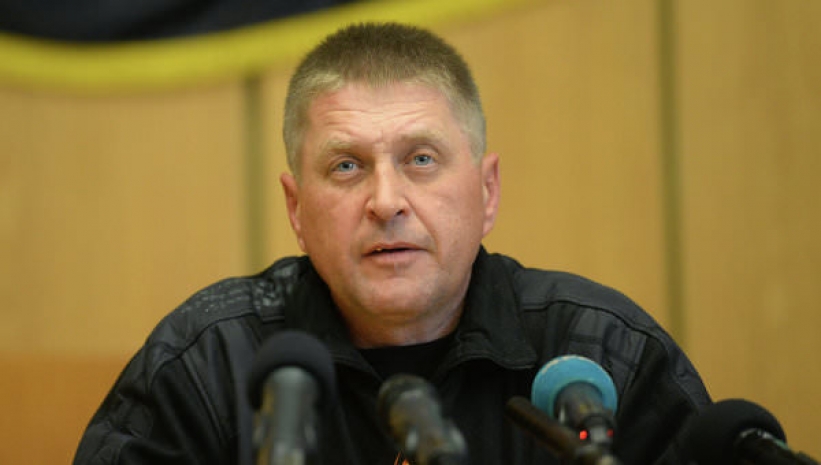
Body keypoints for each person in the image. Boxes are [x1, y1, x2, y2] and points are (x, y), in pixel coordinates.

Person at [73, 22, 711, 465]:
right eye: (346, 166)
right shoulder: (209, 364)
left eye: (421, 159)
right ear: (297, 209)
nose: (385, 201)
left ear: (486, 191)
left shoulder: (601, 355)